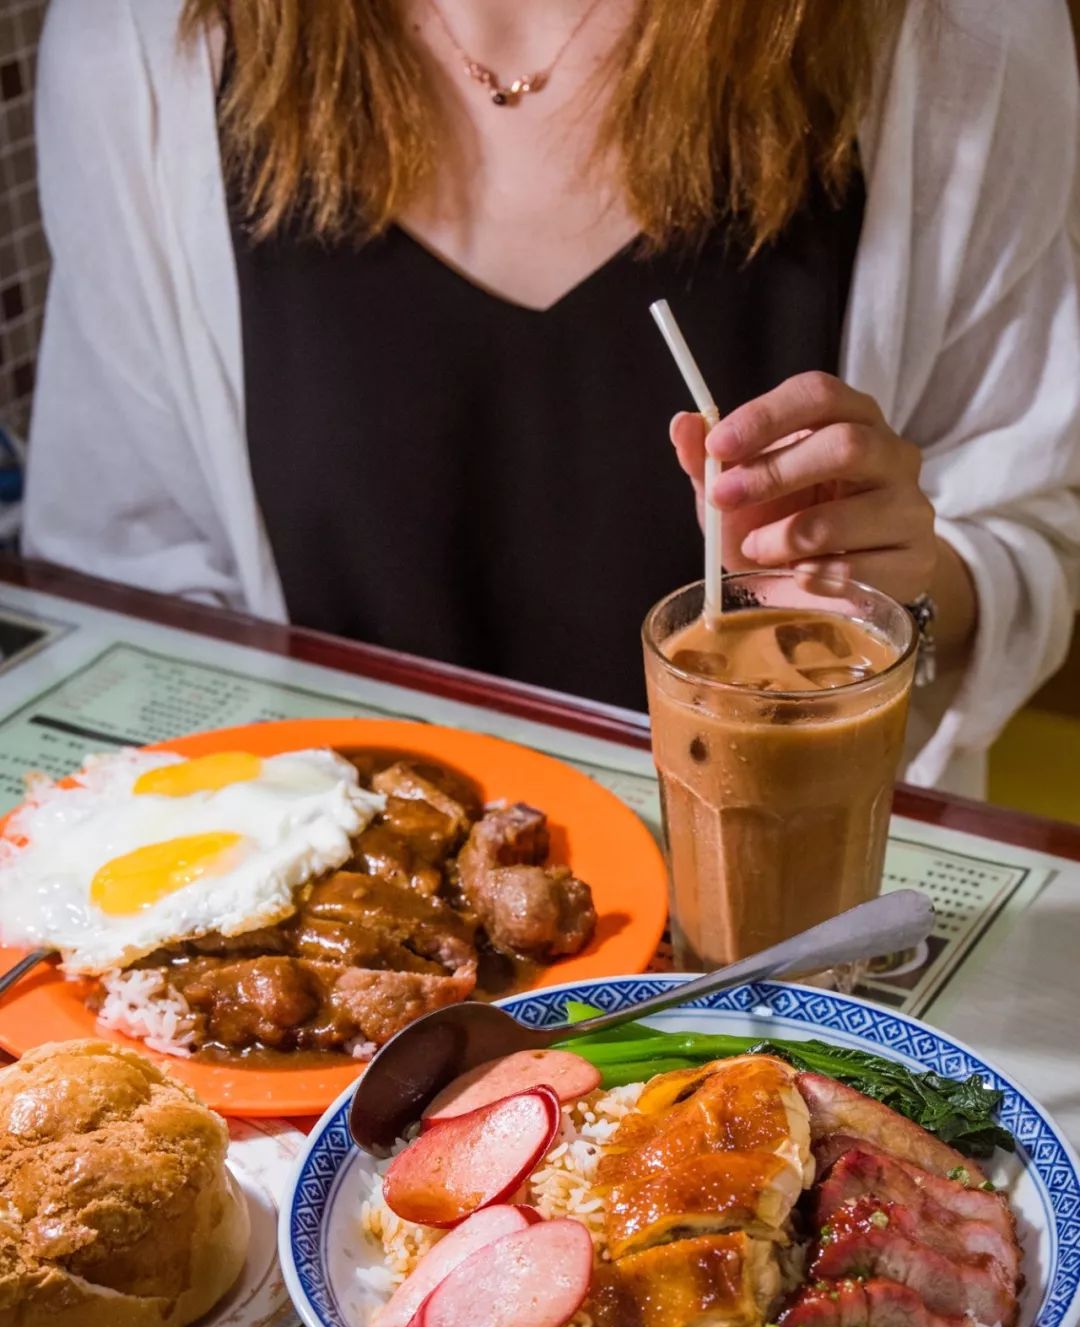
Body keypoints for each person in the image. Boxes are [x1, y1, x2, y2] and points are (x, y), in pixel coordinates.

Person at [23, 0, 1080, 795]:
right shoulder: (139, 35)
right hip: (334, 973)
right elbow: (124, 583)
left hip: (766, 966)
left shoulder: (958, 34)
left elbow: (1030, 535)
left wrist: (905, 588)